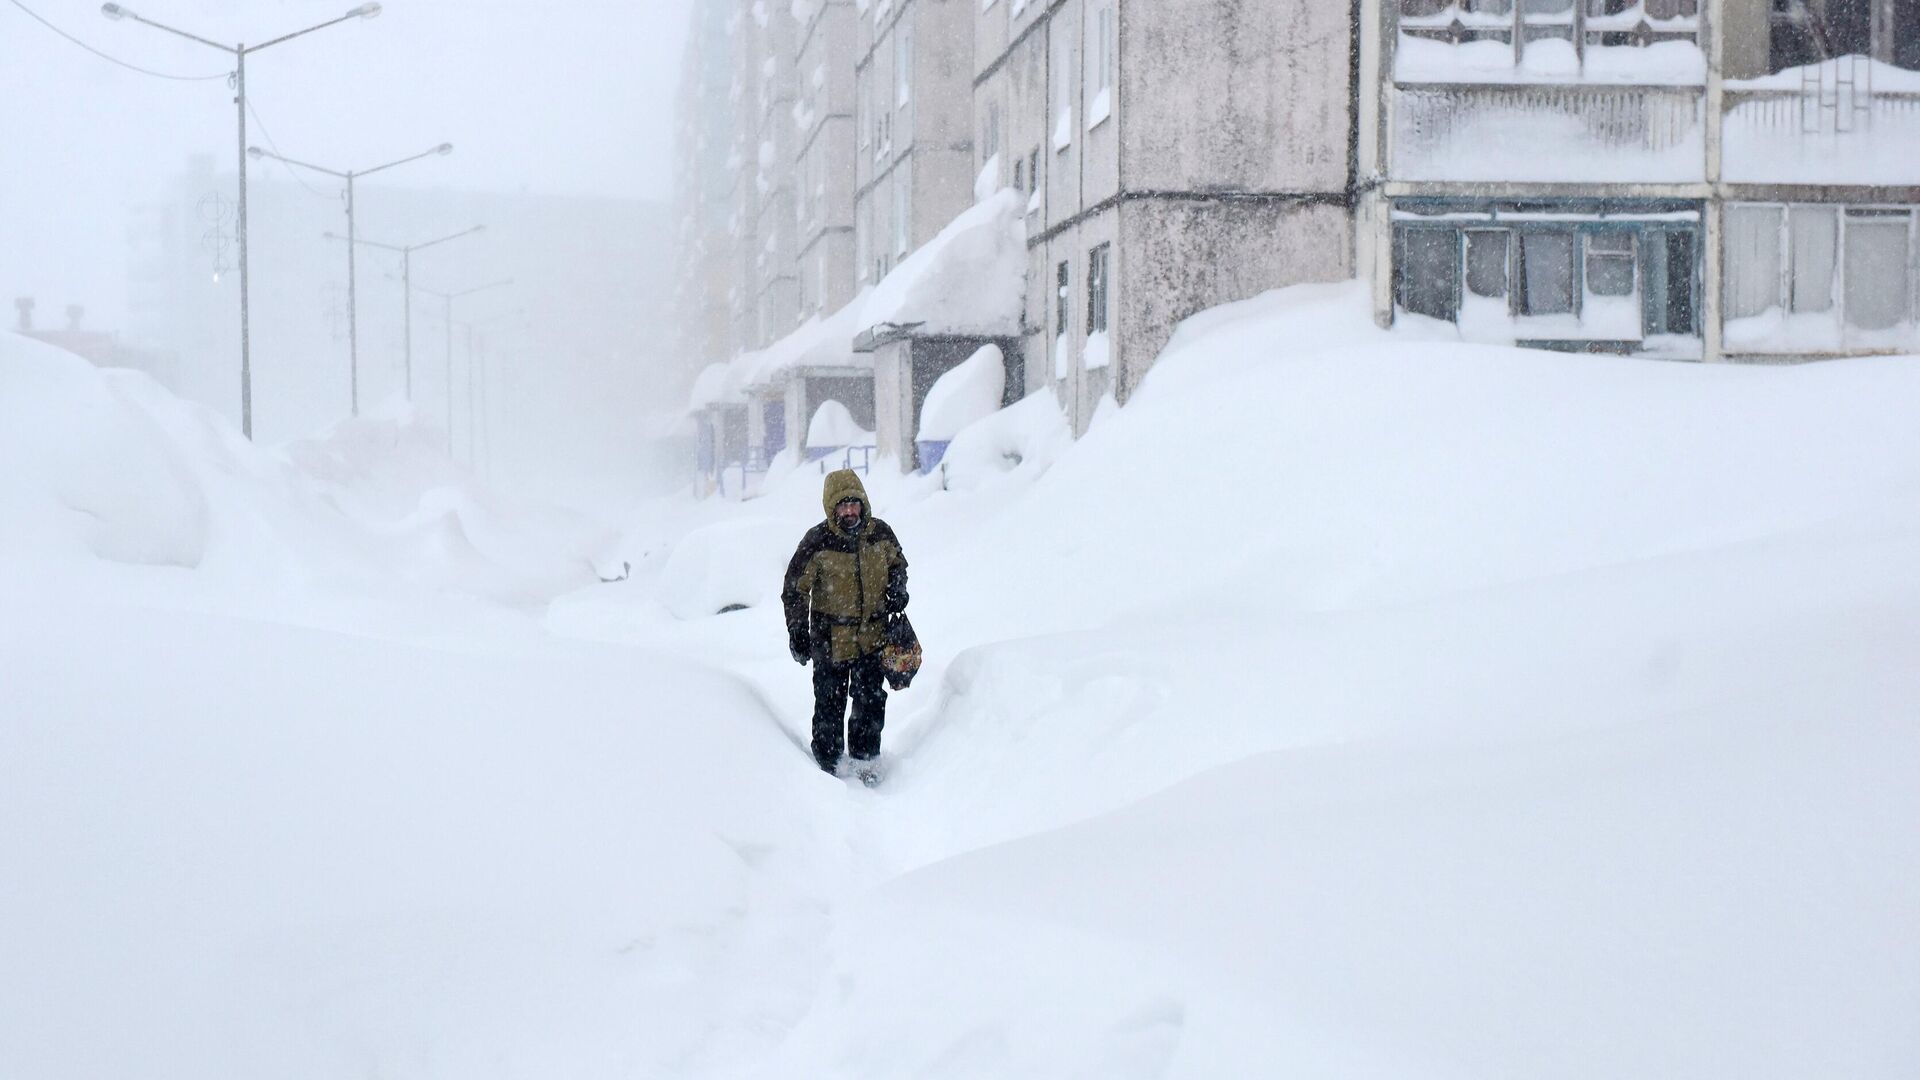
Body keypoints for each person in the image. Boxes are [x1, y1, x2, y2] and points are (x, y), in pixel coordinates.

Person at [781, 469, 909, 774]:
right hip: (830, 642)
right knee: (829, 706)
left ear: (863, 504)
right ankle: (829, 767)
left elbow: (898, 565)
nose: (849, 511)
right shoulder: (817, 541)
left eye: (854, 504)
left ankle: (866, 762)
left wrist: (897, 590)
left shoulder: (880, 534)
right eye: (842, 506)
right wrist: (797, 628)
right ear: (831, 508)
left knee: (870, 702)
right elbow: (794, 589)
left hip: (872, 638)